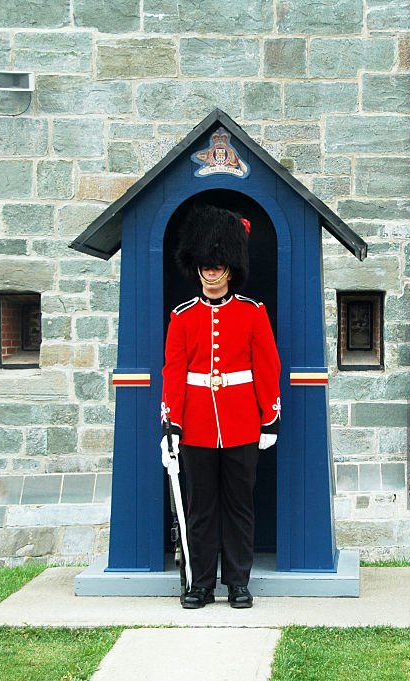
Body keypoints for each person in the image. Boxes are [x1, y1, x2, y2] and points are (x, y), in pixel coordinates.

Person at [159, 203, 281, 609]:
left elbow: (266, 367)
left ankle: (238, 583)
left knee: (238, 507)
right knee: (201, 510)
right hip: (195, 427)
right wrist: (171, 422)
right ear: (197, 267)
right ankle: (200, 584)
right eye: (206, 265)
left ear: (230, 268)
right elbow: (173, 372)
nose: (211, 271)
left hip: (243, 424)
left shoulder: (252, 313)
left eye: (218, 265)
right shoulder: (182, 317)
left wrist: (269, 419)